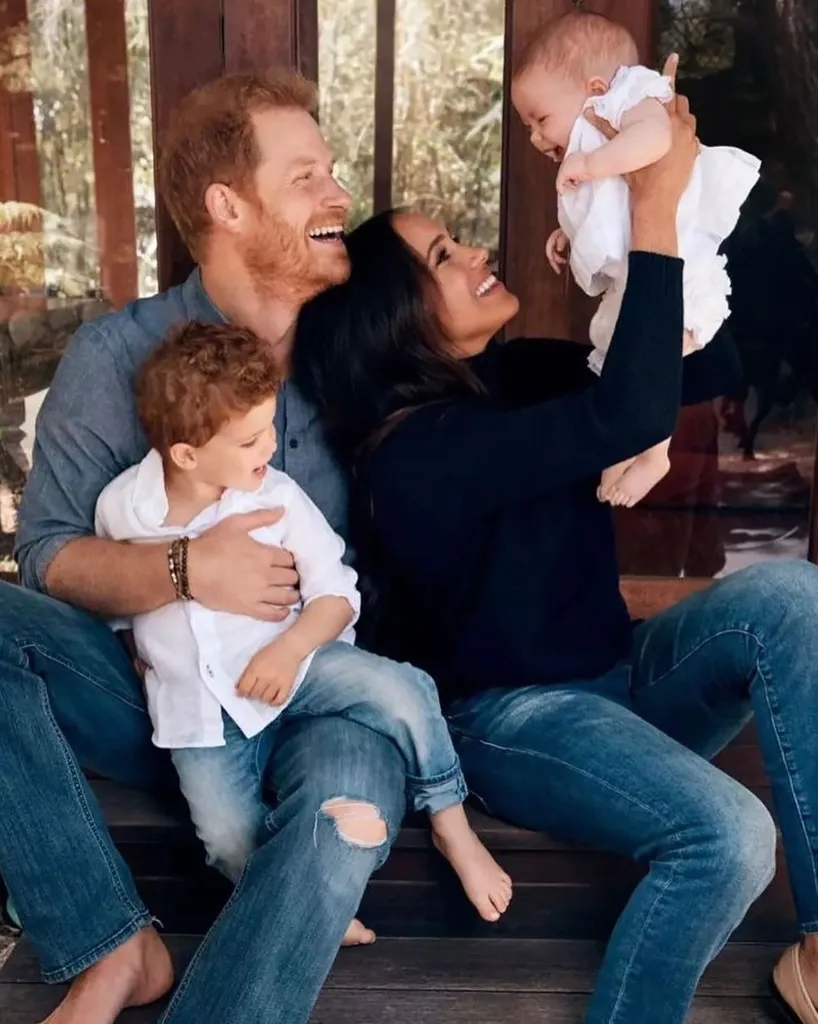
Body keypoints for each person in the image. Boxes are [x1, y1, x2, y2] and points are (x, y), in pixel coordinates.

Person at [295, 77, 818, 1024]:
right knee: (730, 836)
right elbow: (623, 412)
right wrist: (651, 201)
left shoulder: (517, 372)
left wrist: (626, 252)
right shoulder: (415, 455)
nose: (477, 253)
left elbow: (707, 367)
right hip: (516, 724)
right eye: (444, 255)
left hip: (620, 685)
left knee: (793, 598)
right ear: (390, 314)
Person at [2, 69, 419, 1024]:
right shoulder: (117, 356)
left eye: (332, 171)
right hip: (167, 699)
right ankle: (110, 944)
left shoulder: (359, 350)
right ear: (228, 205)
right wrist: (188, 570)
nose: (338, 195)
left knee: (340, 822)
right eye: (305, 174)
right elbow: (48, 555)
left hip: (321, 691)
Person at [95, 319, 511, 924]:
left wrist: (289, 650)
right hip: (200, 713)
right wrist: (134, 642)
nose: (269, 447)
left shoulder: (278, 497)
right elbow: (115, 594)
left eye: (270, 426)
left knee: (405, 690)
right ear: (186, 453)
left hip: (299, 660)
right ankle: (301, 900)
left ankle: (451, 821)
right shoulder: (123, 508)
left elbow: (338, 594)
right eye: (248, 440)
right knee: (224, 835)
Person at [511, 12, 760, 507]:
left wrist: (590, 163)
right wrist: (569, 233)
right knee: (617, 350)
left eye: (541, 120)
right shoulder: (599, 135)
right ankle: (628, 443)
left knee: (653, 355)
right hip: (644, 268)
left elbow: (656, 142)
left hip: (681, 266)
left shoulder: (634, 99)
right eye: (527, 128)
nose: (537, 139)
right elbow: (612, 208)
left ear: (596, 87)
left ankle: (654, 452)